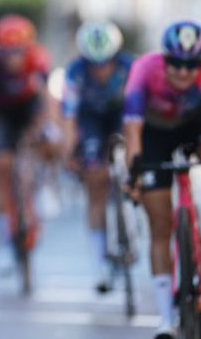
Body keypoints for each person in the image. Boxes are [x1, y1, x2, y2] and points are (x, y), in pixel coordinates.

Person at [124, 20, 201, 339]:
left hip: (195, 128)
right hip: (154, 134)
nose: (184, 73)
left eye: (192, 65)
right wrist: (133, 172)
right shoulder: (144, 70)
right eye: (176, 63)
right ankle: (165, 319)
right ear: (164, 59)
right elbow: (132, 129)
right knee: (160, 225)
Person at [60, 20, 133, 293]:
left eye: (107, 63)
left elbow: (139, 115)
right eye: (95, 64)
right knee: (95, 182)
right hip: (90, 120)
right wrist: (69, 150)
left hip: (121, 116)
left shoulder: (129, 68)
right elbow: (68, 116)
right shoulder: (75, 72)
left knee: (130, 154)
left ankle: (129, 218)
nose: (101, 70)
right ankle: (98, 261)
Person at [0, 14, 51, 272]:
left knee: (47, 138)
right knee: (3, 167)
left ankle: (45, 185)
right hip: (3, 113)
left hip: (28, 109)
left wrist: (48, 127)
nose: (14, 58)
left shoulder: (38, 60)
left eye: (19, 51)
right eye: (7, 52)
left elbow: (46, 99)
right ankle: (4, 240)